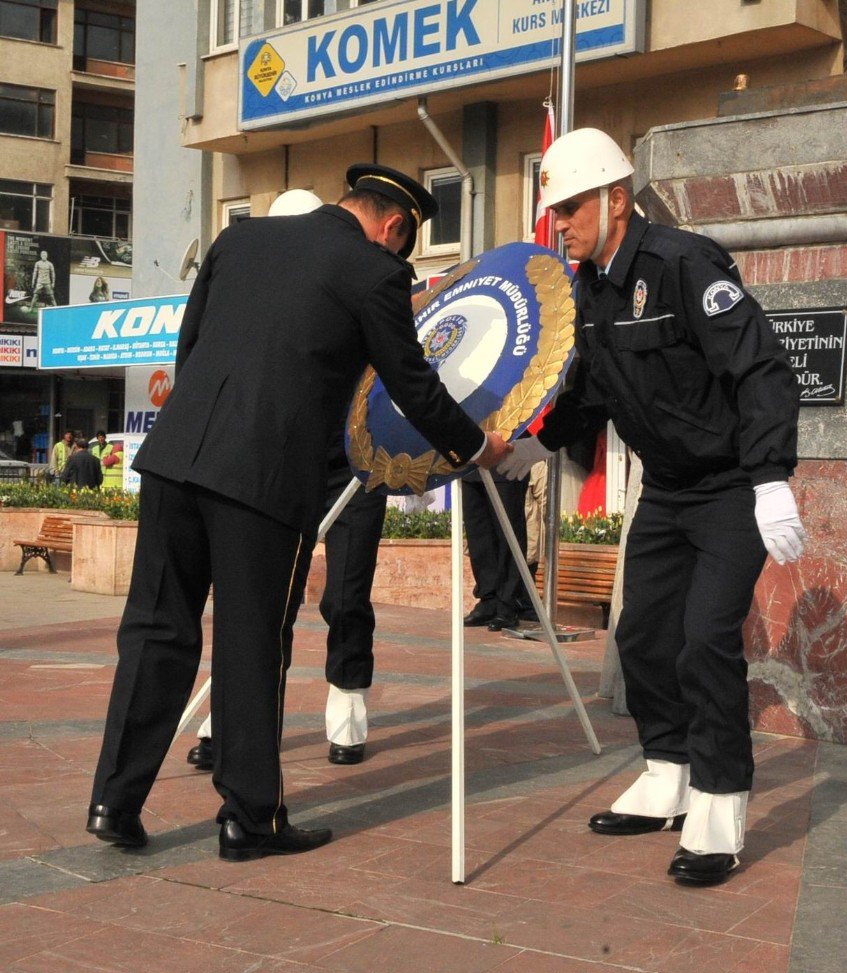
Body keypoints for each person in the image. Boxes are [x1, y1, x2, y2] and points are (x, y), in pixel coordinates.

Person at [87, 163, 511, 862]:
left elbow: (187, 349)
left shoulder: (238, 241)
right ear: (396, 228)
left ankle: (115, 800)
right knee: (253, 643)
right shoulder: (375, 273)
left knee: (157, 631)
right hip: (262, 480)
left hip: (176, 458)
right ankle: (251, 819)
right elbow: (414, 386)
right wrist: (478, 446)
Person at [497, 128, 805, 886]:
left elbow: (760, 366)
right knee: (639, 636)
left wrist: (770, 477)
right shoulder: (591, 289)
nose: (558, 224)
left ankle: (721, 800)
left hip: (731, 485)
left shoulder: (685, 264)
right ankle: (667, 771)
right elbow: (591, 391)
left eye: (569, 208)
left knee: (705, 638)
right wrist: (532, 446)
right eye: (554, 211)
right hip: (666, 489)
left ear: (615, 199)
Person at [185, 188, 387, 772]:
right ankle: (232, 715)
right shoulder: (252, 285)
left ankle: (347, 700)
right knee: (258, 599)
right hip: (278, 460)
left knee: (347, 593)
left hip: (352, 461)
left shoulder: (350, 276)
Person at [461, 468, 531, 631]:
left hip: (506, 460)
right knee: (478, 530)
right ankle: (488, 600)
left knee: (508, 532)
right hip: (472, 461)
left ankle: (508, 603)